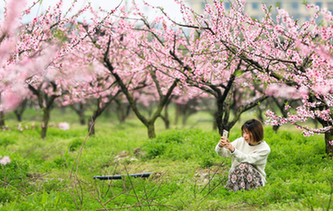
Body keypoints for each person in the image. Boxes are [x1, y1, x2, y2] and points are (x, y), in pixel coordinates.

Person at [215, 119, 271, 191]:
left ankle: (247, 191)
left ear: (256, 133)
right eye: (243, 132)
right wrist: (220, 146)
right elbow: (223, 153)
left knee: (244, 166)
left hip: (255, 180)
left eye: (247, 133)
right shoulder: (241, 141)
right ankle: (236, 191)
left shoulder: (264, 149)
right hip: (237, 177)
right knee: (238, 168)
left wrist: (233, 150)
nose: (244, 136)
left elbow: (247, 159)